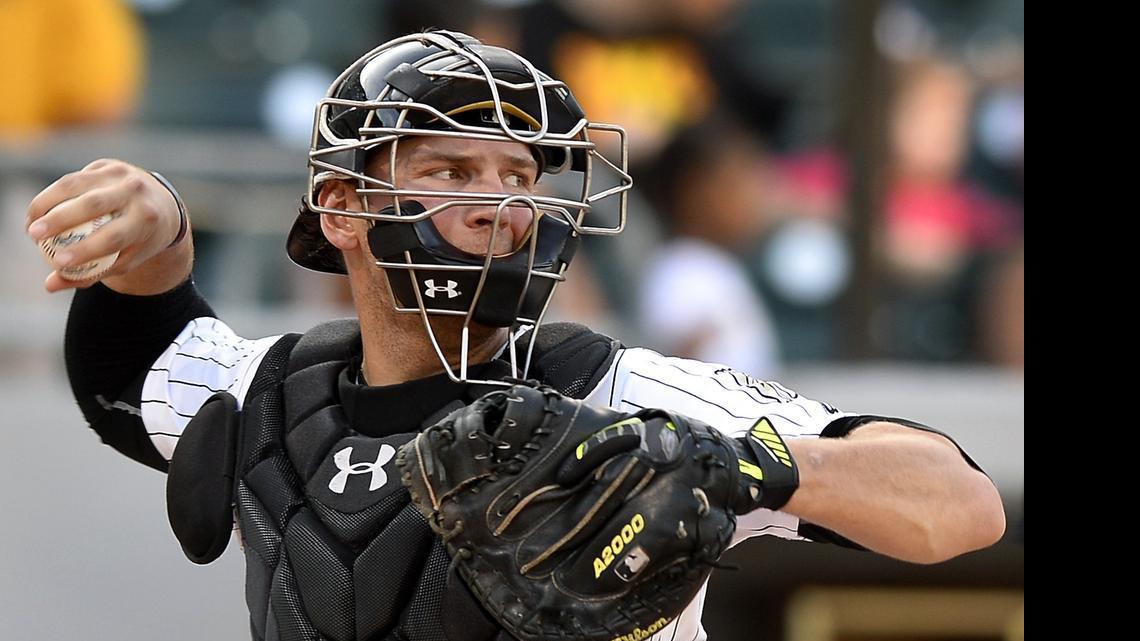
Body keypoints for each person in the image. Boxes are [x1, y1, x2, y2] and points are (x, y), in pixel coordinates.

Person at [25, 30, 1005, 641]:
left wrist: (739, 467)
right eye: (453, 173)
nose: (501, 205)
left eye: (520, 177)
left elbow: (957, 502)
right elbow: (135, 355)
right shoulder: (274, 392)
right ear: (340, 206)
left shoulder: (619, 393)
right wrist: (158, 235)